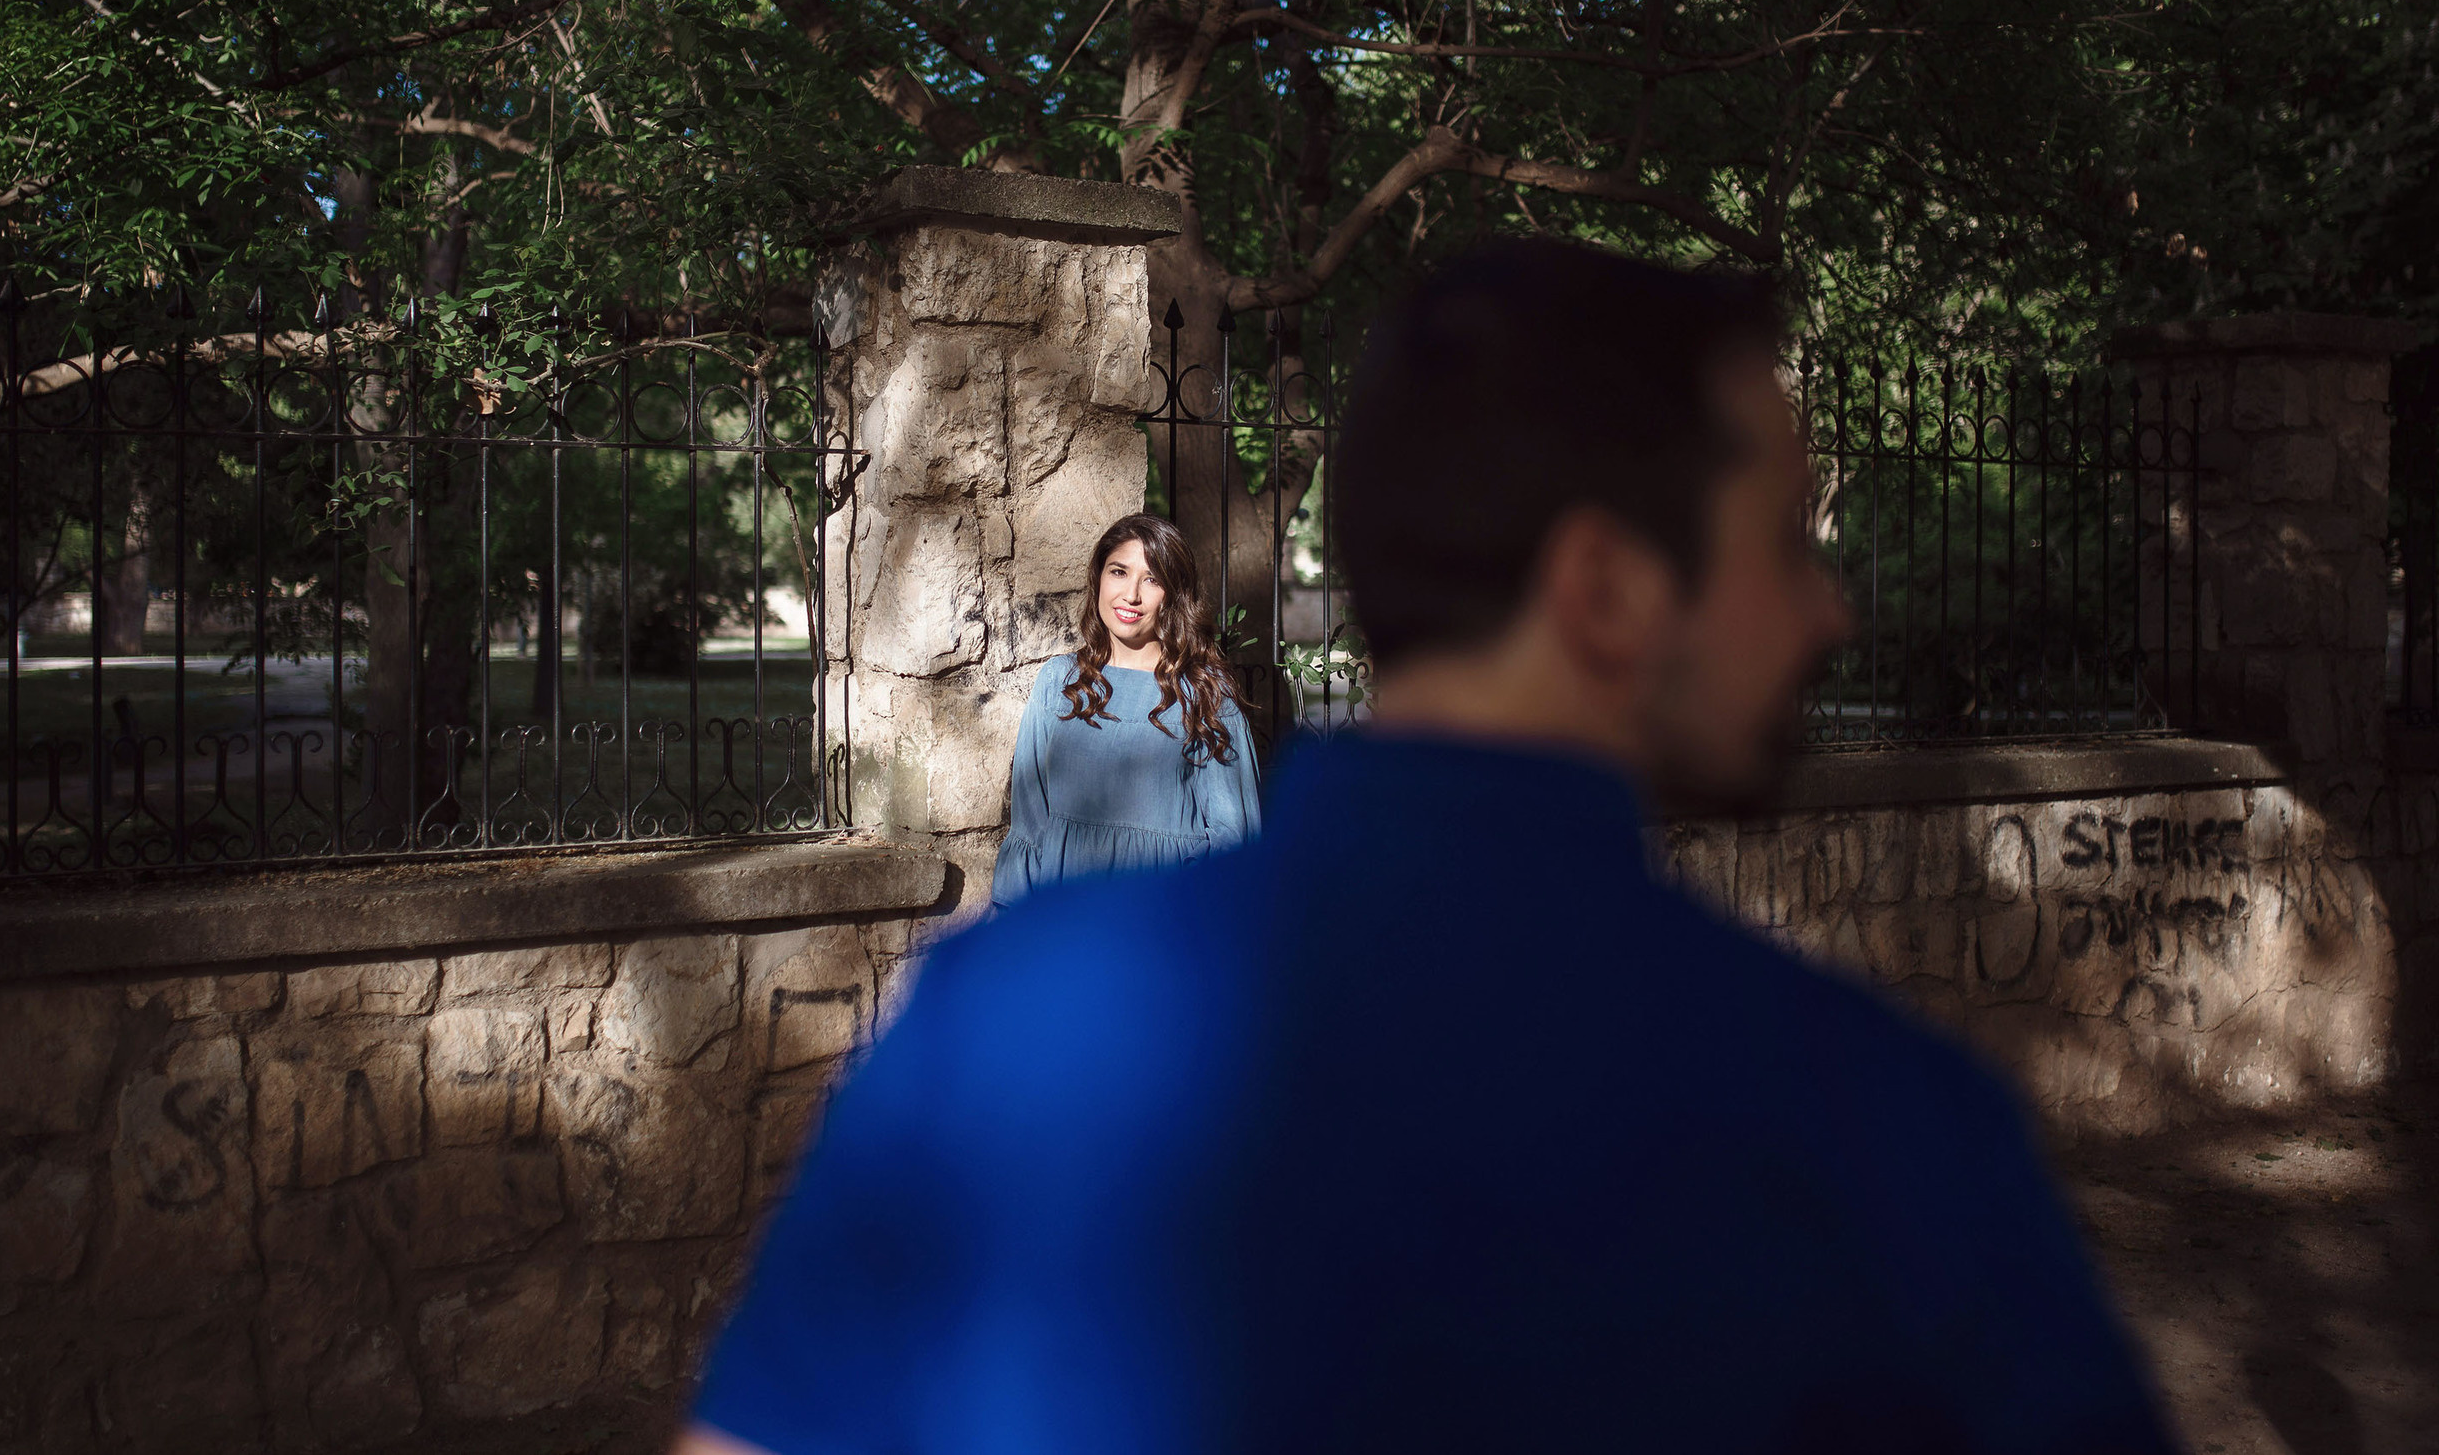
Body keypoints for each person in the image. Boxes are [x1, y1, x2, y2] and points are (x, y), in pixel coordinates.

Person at [672, 245, 2180, 1455]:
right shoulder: (1877, 1129)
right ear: (1602, 588)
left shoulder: (990, 1026)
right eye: (1784, 542)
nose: (1826, 613)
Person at [991, 513, 1262, 904]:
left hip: (1164, 925)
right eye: (1119, 572)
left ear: (1174, 594)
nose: (1131, 595)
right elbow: (1030, 826)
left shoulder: (1205, 695)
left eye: (1152, 580)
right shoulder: (1059, 682)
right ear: (1099, 577)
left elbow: (1233, 842)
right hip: (1065, 920)